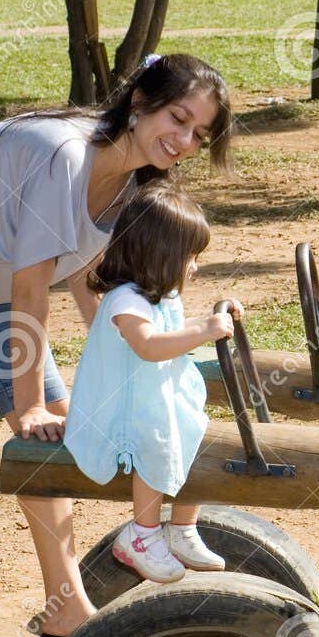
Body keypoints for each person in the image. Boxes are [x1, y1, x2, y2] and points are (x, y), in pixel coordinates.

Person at [0, 52, 231, 637]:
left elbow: (94, 283)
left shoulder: (134, 183)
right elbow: (30, 286)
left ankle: (66, 611)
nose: (185, 140)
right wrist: (26, 402)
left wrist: (121, 372)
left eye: (199, 133)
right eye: (177, 119)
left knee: (54, 435)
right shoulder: (67, 155)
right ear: (139, 103)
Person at [66, 184, 234, 582]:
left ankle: (181, 528)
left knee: (193, 431)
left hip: (155, 399)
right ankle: (140, 535)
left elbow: (172, 331)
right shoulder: (126, 301)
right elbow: (148, 345)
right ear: (161, 254)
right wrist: (205, 331)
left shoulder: (159, 297)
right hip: (124, 412)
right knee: (154, 444)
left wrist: (210, 323)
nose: (194, 266)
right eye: (190, 256)